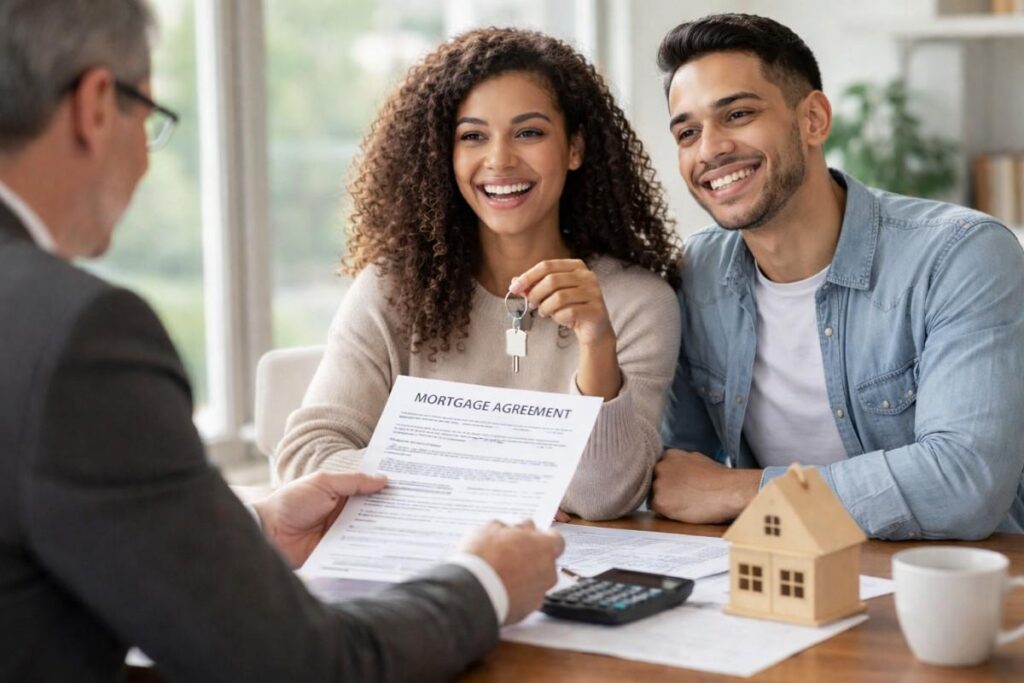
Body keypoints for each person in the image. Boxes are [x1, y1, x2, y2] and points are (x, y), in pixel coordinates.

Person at [0, 2, 565, 681]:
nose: (146, 160)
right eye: (149, 120)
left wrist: (259, 526)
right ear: (96, 106)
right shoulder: (77, 337)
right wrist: (486, 581)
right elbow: (301, 664)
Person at [274, 28, 683, 521]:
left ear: (575, 148)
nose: (499, 160)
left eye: (529, 132)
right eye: (472, 137)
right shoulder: (392, 290)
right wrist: (498, 484)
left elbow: (602, 497)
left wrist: (597, 341)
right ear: (444, 156)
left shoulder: (636, 302)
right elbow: (306, 460)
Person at [651, 13, 1024, 541]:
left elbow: (965, 484)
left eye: (737, 114)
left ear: (814, 120)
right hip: (779, 577)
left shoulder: (959, 255)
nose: (709, 150)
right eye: (688, 132)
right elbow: (678, 476)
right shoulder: (696, 275)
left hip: (947, 587)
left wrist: (744, 490)